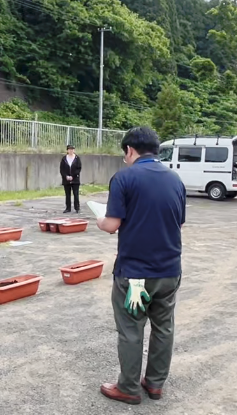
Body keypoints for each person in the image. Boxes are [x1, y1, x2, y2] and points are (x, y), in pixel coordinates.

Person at [95, 127, 186, 405]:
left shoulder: (124, 177)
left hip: (135, 276)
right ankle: (155, 383)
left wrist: (100, 219)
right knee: (163, 327)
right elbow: (178, 222)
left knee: (132, 328)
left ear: (130, 150)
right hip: (169, 271)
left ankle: (129, 387)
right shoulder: (175, 179)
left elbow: (111, 225)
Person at [60, 144, 82, 213]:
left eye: (72, 149)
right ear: (67, 150)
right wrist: (66, 176)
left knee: (76, 194)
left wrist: (73, 176)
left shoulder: (77, 158)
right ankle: (68, 208)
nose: (71, 151)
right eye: (69, 149)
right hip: (66, 180)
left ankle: (77, 207)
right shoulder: (64, 159)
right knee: (67, 194)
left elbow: (79, 169)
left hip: (75, 179)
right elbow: (62, 169)